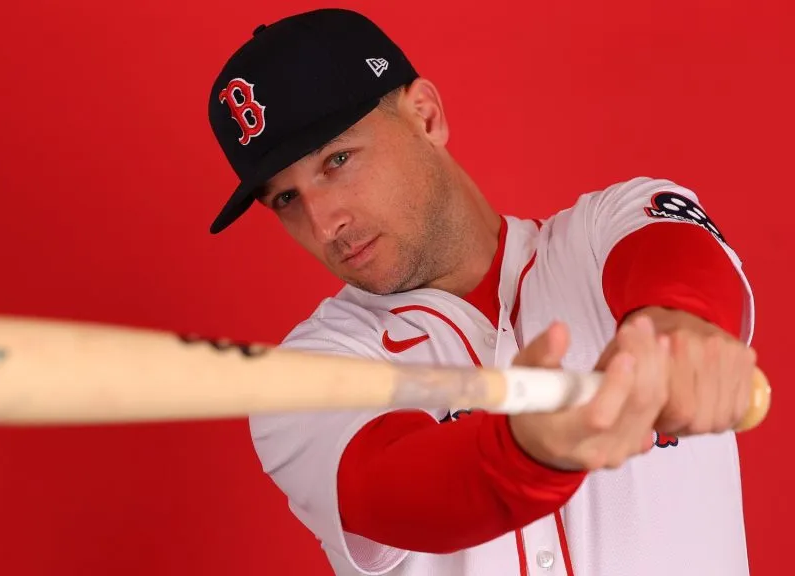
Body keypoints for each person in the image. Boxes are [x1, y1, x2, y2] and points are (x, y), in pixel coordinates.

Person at [205, 8, 758, 576]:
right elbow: (395, 494)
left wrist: (682, 330)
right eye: (286, 200)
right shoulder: (305, 370)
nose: (324, 225)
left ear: (425, 116)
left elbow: (677, 261)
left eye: (337, 161)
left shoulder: (602, 232)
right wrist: (530, 450)